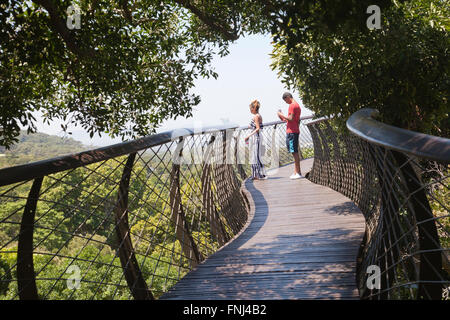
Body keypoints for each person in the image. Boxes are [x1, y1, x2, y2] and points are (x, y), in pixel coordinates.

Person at [277, 92, 303, 179]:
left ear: (288, 97)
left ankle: (298, 172)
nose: (286, 102)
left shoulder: (292, 105)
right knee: (294, 151)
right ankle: (296, 172)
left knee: (294, 152)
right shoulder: (297, 105)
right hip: (293, 130)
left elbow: (291, 119)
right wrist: (282, 117)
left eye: (285, 100)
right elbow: (293, 119)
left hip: (292, 132)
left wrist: (281, 114)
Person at [244, 100, 267, 180]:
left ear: (253, 108)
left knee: (256, 156)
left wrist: (248, 136)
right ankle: (257, 174)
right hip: (256, 137)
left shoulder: (256, 116)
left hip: (256, 137)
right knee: (255, 155)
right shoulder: (258, 116)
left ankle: (258, 175)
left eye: (250, 108)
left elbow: (257, 128)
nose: (250, 110)